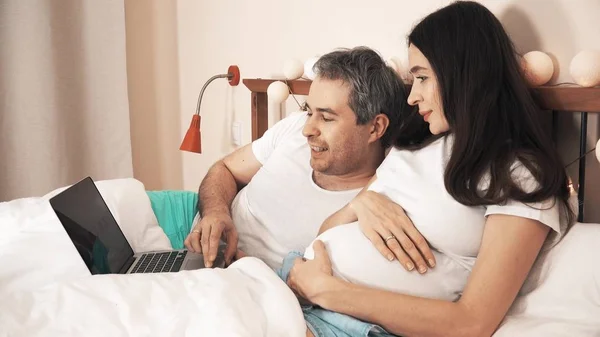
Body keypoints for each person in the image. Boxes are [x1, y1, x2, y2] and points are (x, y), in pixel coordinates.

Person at [286, 2, 575, 337]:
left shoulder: (520, 176)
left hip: (348, 321)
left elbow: (473, 322)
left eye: (422, 78)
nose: (411, 97)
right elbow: (325, 232)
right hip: (301, 284)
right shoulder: (417, 143)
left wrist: (326, 291)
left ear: (464, 74)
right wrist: (360, 204)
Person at [183, 46, 433, 275]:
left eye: (326, 118)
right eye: (309, 111)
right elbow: (224, 168)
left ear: (375, 127)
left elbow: (316, 291)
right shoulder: (293, 128)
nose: (307, 130)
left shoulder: (375, 204)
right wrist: (216, 214)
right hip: (193, 247)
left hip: (247, 288)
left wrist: (248, 273)